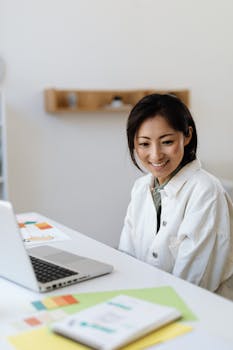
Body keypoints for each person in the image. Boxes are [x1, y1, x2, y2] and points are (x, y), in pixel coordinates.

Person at [119, 93, 233, 300]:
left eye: (167, 141)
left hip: (198, 311)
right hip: (148, 301)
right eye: (144, 144)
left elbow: (193, 284)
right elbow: (126, 257)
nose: (155, 155)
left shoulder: (206, 191)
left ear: (187, 136)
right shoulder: (141, 188)